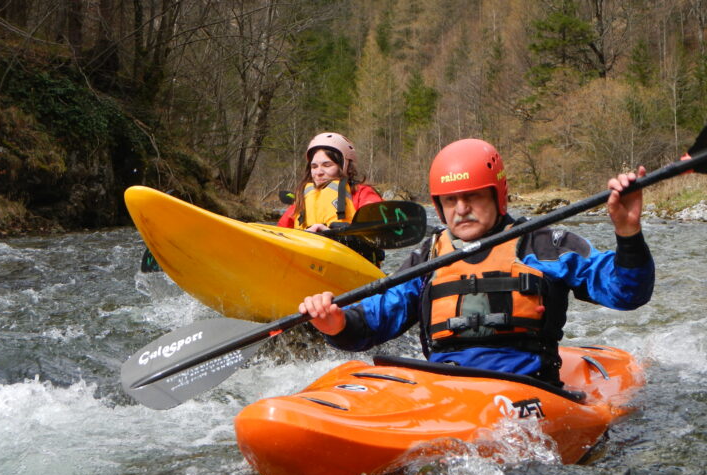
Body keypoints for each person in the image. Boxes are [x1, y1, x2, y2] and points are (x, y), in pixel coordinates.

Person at [298, 138, 654, 385]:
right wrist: (336, 323)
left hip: (528, 388)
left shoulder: (543, 244)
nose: (461, 209)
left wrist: (627, 231)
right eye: (450, 200)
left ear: (498, 195)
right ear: (438, 205)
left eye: (472, 197)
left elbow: (626, 292)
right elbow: (374, 321)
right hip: (447, 387)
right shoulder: (428, 257)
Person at [277, 132, 382, 231]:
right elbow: (280, 232)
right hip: (307, 246)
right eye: (314, 166)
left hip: (347, 246)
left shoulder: (362, 193)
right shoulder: (302, 198)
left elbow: (377, 226)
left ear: (344, 166)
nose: (319, 172)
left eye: (327, 165)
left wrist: (334, 233)